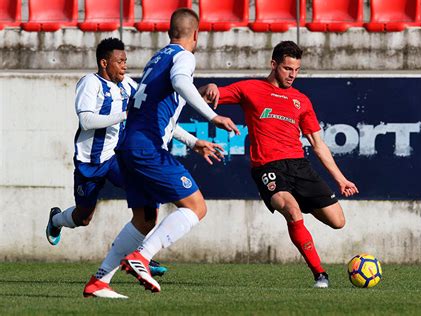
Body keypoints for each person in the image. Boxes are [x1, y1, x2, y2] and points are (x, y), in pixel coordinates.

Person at [44, 37, 224, 298]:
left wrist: (193, 141)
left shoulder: (130, 86)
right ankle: (58, 220)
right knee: (84, 217)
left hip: (120, 158)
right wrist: (124, 115)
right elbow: (86, 120)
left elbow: (158, 119)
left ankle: (138, 256)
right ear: (104, 63)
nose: (125, 66)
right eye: (119, 61)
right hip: (91, 161)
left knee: (147, 213)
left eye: (126, 61)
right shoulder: (90, 83)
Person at [199, 41, 359, 288]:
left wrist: (340, 179)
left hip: (299, 166)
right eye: (287, 69)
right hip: (268, 167)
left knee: (338, 221)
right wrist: (207, 87)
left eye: (296, 70)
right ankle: (320, 274)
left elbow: (318, 144)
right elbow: (208, 95)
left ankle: (301, 206)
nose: (292, 75)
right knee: (291, 211)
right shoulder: (250, 88)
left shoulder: (301, 101)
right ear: (273, 65)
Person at [115, 8, 240, 294]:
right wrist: (212, 117)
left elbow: (170, 99)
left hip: (130, 145)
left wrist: (192, 141)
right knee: (196, 207)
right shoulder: (185, 56)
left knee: (145, 219)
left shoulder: (157, 59)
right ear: (196, 34)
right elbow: (181, 82)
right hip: (148, 148)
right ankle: (141, 257)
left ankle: (100, 280)